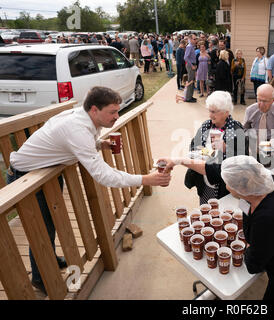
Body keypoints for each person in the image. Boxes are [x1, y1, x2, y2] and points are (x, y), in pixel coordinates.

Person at [7, 87, 171, 295]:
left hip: (46, 171)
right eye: (112, 112)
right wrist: (146, 179)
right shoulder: (76, 128)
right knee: (41, 230)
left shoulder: (84, 119)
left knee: (51, 224)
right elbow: (103, 175)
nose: (116, 116)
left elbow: (78, 143)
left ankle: (51, 260)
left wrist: (99, 144)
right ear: (94, 110)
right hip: (25, 177)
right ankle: (41, 279)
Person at [159, 155, 274, 299]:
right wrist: (178, 160)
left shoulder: (267, 217)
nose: (225, 184)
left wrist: (249, 244)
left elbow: (253, 264)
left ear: (241, 188)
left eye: (227, 183)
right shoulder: (264, 184)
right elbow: (212, 170)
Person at [187, 91, 248, 203]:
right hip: (205, 182)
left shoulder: (237, 130)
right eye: (209, 111)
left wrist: (226, 149)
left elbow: (243, 160)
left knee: (222, 213)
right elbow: (193, 145)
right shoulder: (206, 125)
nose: (210, 115)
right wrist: (198, 153)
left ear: (226, 112)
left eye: (214, 112)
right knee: (206, 210)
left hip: (224, 187)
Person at [243, 84, 274, 163]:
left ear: (273, 100)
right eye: (259, 100)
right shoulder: (250, 110)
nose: (261, 104)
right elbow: (244, 129)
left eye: (265, 101)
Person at [183, 34, 198, 103]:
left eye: (196, 39)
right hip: (190, 65)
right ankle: (188, 98)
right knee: (190, 81)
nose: (195, 40)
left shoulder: (192, 46)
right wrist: (192, 65)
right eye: (194, 39)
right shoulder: (189, 46)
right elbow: (185, 57)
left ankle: (190, 96)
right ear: (190, 39)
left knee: (192, 81)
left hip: (193, 65)